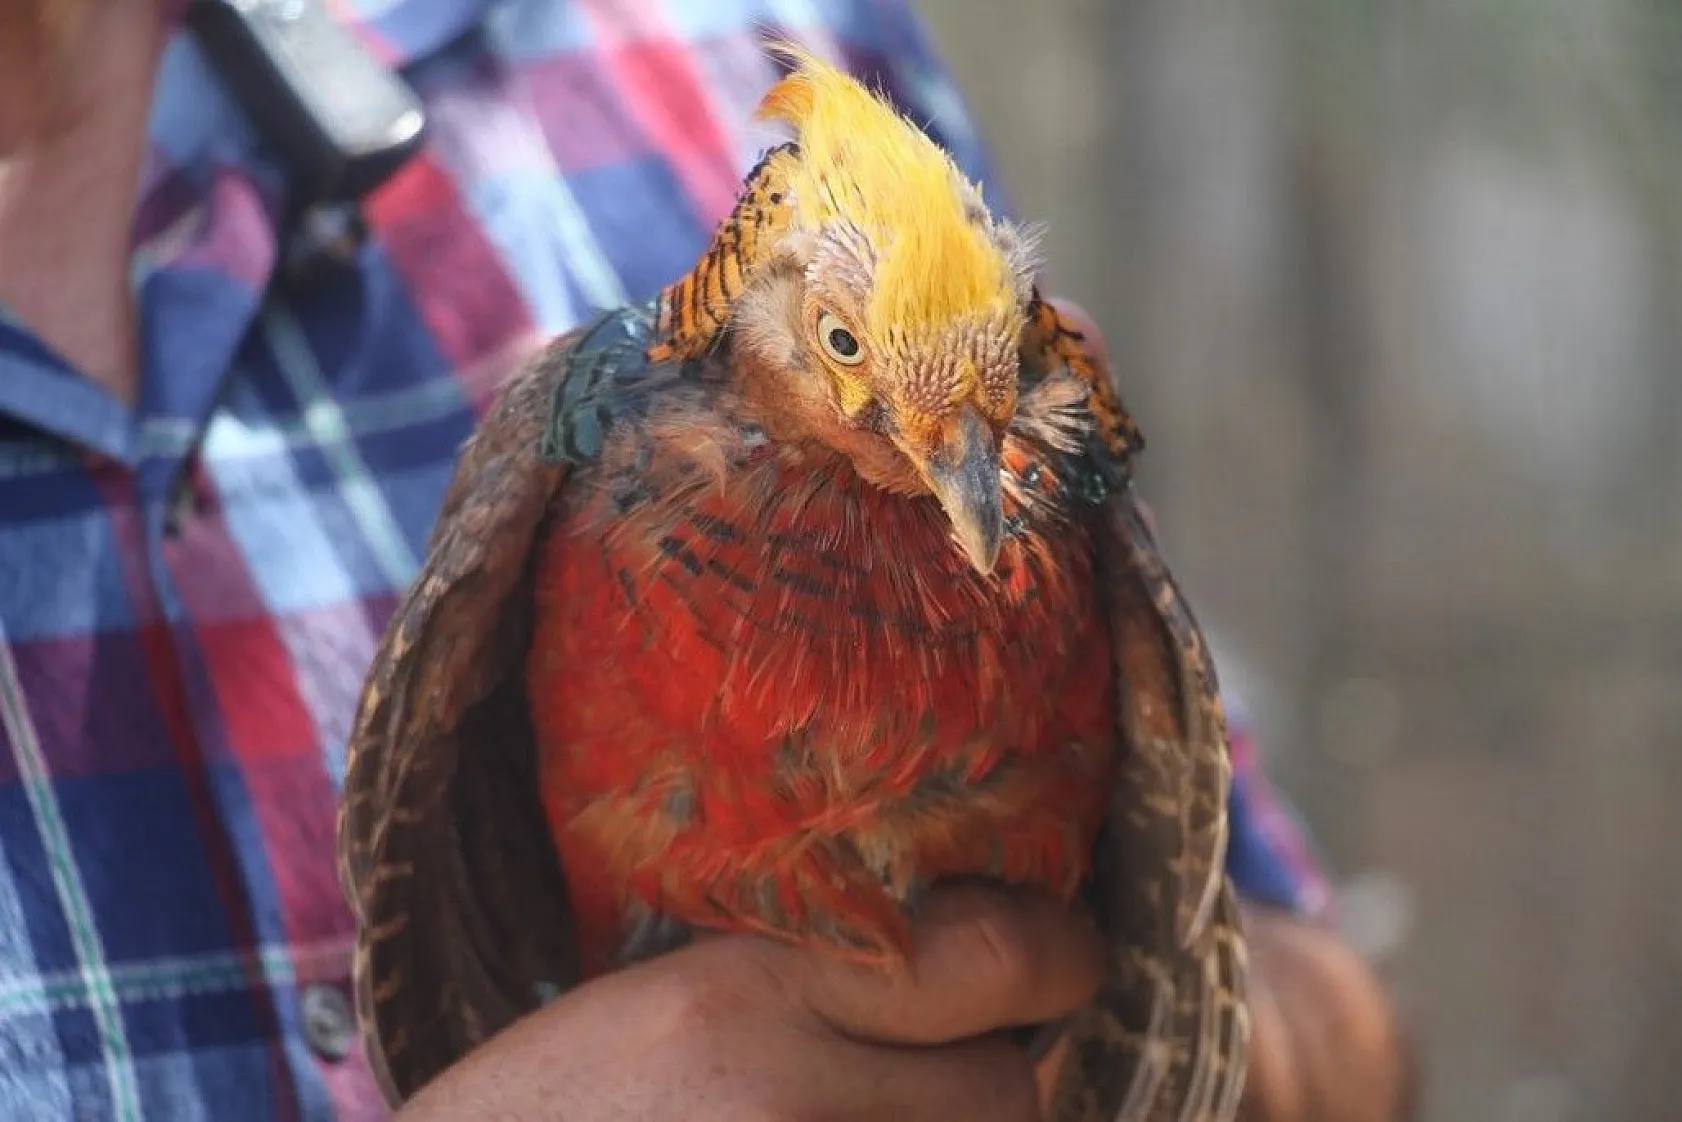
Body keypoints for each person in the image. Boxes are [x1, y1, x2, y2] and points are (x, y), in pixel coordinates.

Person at [0, 2, 1411, 1120]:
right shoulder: (600, 433)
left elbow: (1316, 1015)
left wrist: (1068, 1069)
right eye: (855, 358)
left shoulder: (738, 35)